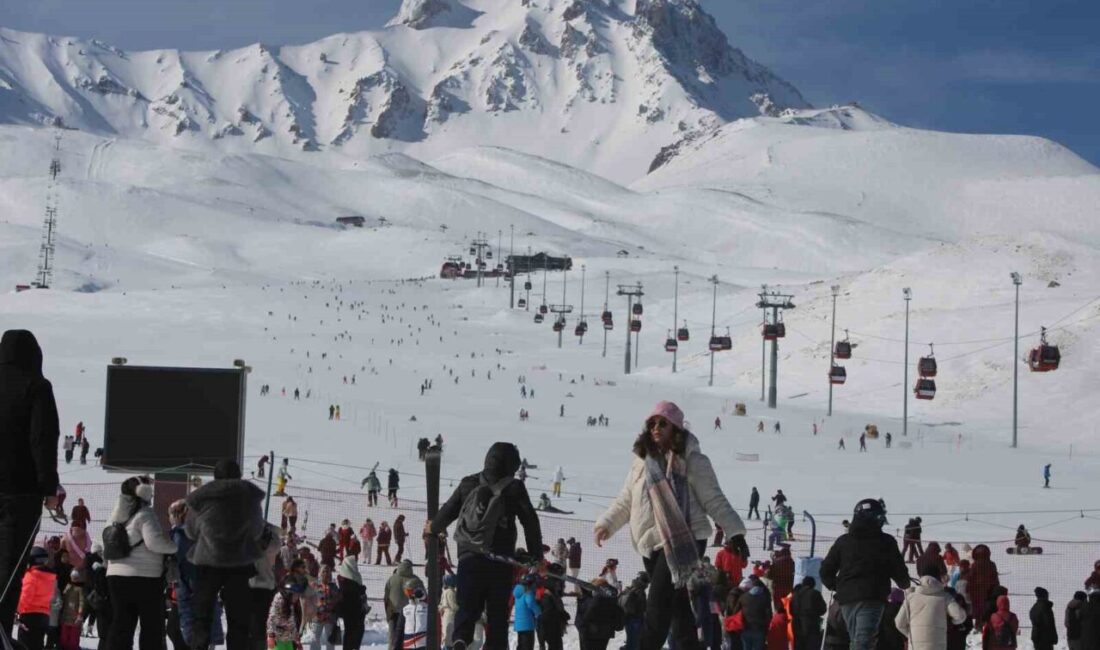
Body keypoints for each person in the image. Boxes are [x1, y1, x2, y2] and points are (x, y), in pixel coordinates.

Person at [594, 401, 749, 650]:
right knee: (676, 605)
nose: (656, 427)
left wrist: (736, 532)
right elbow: (626, 499)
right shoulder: (641, 463)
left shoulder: (693, 460)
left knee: (657, 602)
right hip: (650, 543)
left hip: (684, 540)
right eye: (652, 423)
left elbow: (713, 498)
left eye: (663, 423)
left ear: (676, 428)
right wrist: (607, 524)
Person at [429, 441, 543, 649]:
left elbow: (449, 510)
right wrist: (536, 555)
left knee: (467, 607)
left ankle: (461, 638)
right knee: (497, 614)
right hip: (500, 560)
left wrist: (434, 527)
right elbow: (530, 521)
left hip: (469, 556)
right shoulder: (514, 488)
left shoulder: (468, 483)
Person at [0, 329, 60, 637]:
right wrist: (49, 487)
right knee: (9, 568)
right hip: (20, 493)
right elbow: (42, 439)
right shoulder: (36, 387)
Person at [185, 458, 267, 650]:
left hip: (208, 562)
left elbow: (190, 531)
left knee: (202, 616)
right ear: (238, 475)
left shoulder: (201, 498)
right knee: (238, 619)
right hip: (240, 562)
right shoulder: (249, 497)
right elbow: (256, 531)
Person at [819, 498, 910, 650]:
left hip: (847, 600)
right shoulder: (886, 542)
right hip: (872, 597)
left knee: (857, 638)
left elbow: (825, 571)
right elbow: (898, 570)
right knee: (863, 640)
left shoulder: (844, 541)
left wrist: (839, 587)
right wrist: (904, 583)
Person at [105, 475, 179, 650]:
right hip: (145, 578)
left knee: (121, 623)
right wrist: (174, 547)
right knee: (151, 626)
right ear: (144, 493)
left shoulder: (114, 517)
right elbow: (155, 543)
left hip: (115, 577)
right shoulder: (145, 513)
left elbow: (100, 545)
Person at [893, 564, 967, 650]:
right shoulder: (945, 597)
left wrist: (911, 635)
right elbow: (960, 615)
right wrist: (952, 622)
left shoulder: (910, 597)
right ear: (938, 577)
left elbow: (899, 623)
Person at [248, 522, 283, 650]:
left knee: (258, 629)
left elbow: (273, 547)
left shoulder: (268, 537)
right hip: (250, 586)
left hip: (261, 587)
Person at [16, 547, 55, 650]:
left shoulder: (31, 576)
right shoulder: (50, 577)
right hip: (44, 615)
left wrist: (17, 610)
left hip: (29, 615)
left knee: (24, 644)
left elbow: (25, 596)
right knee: (37, 643)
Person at [575, 577, 624, 650]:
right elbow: (618, 613)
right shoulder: (612, 597)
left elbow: (589, 613)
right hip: (605, 633)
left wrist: (582, 625)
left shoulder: (597, 598)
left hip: (592, 633)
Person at [384, 560, 423, 650]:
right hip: (410, 614)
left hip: (393, 612)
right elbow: (423, 596)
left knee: (393, 639)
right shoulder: (416, 580)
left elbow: (386, 597)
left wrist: (388, 613)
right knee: (408, 638)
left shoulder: (391, 579)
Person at [335, 556, 368, 650]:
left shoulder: (355, 574)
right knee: (350, 632)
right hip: (349, 609)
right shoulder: (344, 576)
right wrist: (360, 589)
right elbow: (347, 590)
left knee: (359, 631)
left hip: (358, 609)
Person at [733, 576, 773, 650]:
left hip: (745, 628)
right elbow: (769, 615)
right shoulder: (764, 598)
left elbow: (735, 611)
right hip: (759, 629)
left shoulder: (743, 597)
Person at [266, 577, 305, 650]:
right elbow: (271, 618)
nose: (297, 598)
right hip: (278, 639)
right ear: (290, 593)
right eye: (296, 595)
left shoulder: (291, 603)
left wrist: (296, 639)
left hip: (288, 639)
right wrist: (270, 636)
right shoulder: (279, 599)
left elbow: (292, 622)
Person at [965, 545, 999, 625]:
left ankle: (979, 625)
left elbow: (970, 579)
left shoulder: (975, 565)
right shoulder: (991, 565)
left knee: (978, 611)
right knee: (988, 611)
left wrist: (968, 590)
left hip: (976, 593)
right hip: (989, 593)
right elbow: (995, 579)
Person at [537, 567, 570, 650]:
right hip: (551, 624)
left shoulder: (548, 586)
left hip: (548, 624)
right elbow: (556, 605)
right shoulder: (550, 590)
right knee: (555, 644)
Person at [789, 577, 826, 650]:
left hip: (796, 625)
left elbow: (791, 611)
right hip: (811, 626)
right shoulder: (815, 593)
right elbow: (823, 609)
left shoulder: (795, 595)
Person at [308, 565, 339, 650]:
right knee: (315, 638)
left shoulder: (333, 586)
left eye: (327, 572)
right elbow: (309, 599)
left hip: (330, 617)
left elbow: (338, 600)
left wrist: (331, 603)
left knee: (330, 639)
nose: (325, 574)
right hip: (317, 617)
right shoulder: (315, 585)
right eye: (323, 572)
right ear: (320, 574)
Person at [512, 573, 541, 650]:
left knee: (521, 645)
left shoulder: (518, 592)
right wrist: (538, 611)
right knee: (527, 646)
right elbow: (530, 602)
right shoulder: (528, 592)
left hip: (519, 624)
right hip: (527, 624)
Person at [59, 569, 84, 650]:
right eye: (73, 577)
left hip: (75, 615)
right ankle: (64, 646)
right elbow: (63, 597)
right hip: (66, 613)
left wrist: (80, 614)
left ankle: (72, 647)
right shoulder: (68, 586)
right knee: (64, 634)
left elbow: (81, 602)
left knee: (74, 634)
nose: (74, 579)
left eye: (75, 577)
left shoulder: (80, 588)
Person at [440, 574, 460, 649]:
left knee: (446, 635)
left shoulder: (445, 591)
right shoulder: (450, 592)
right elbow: (453, 606)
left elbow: (441, 604)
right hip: (451, 616)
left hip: (446, 615)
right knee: (450, 636)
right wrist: (461, 609)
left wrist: (442, 608)